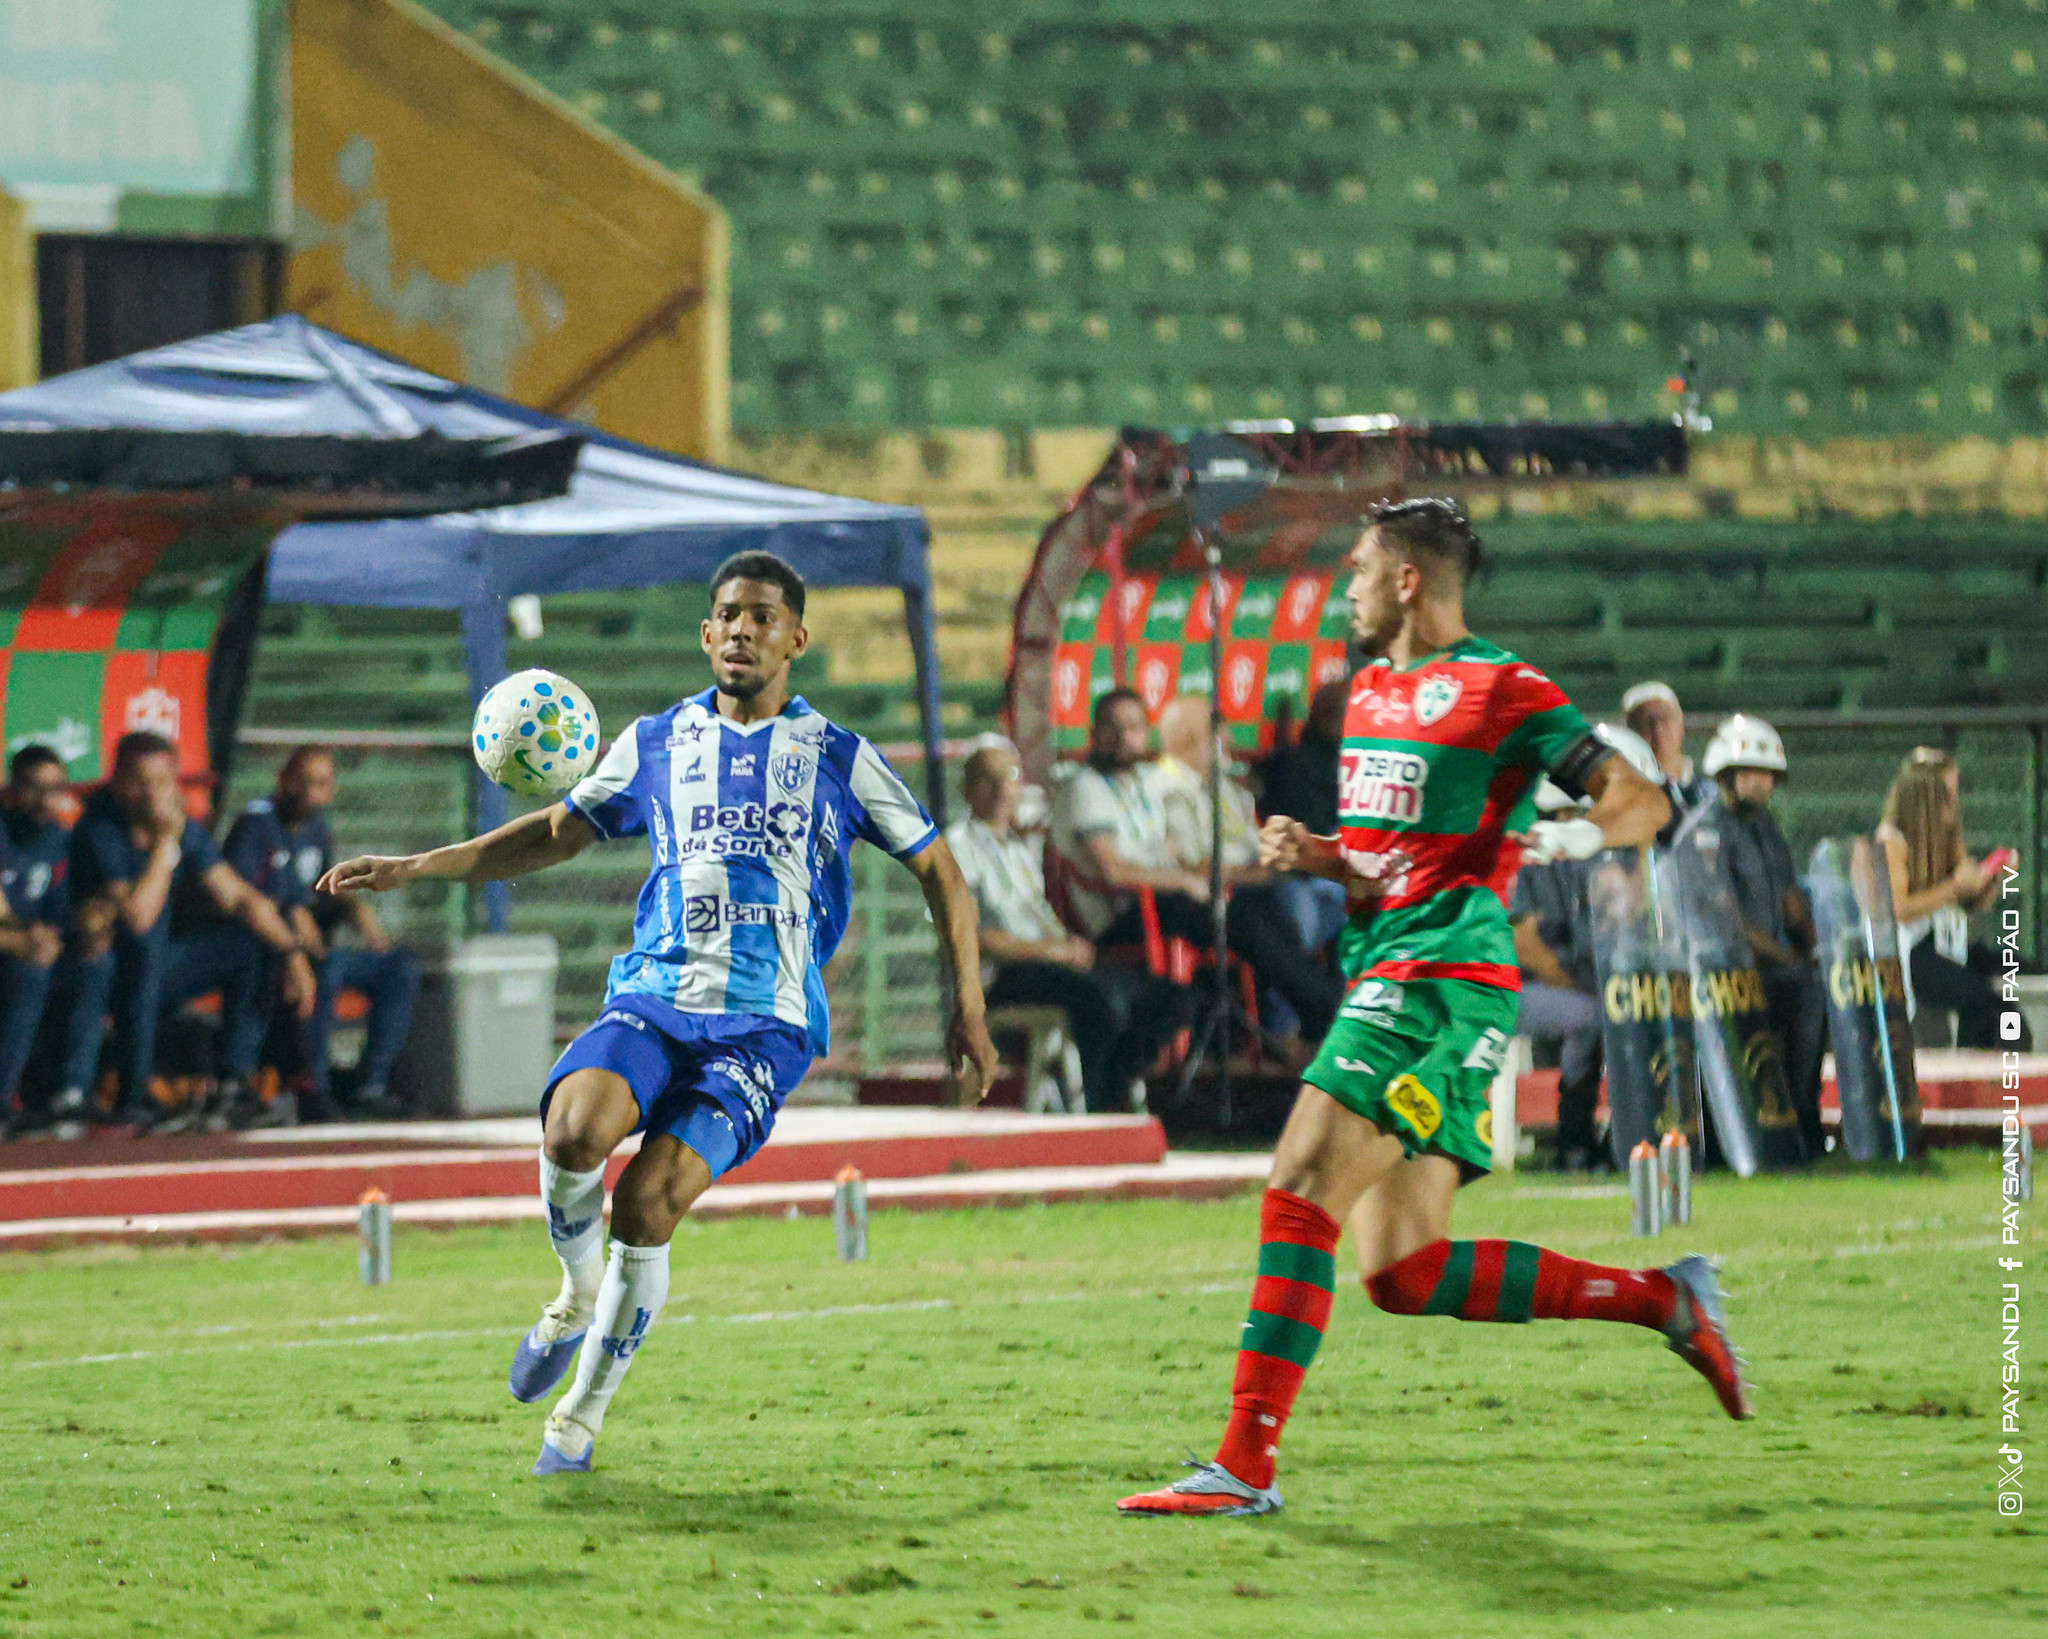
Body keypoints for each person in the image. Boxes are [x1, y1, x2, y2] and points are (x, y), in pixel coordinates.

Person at [1119, 496, 1747, 1522]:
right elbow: (1379, 868)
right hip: (1390, 959)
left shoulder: (1502, 686)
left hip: (1440, 977)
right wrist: (1323, 856)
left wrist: (1579, 837)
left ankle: (1244, 1463)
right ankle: (1666, 1299)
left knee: (1297, 1182)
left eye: (1359, 570)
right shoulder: (1368, 691)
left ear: (1407, 580)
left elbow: (1639, 798)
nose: (1346, 590)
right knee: (1402, 1270)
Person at [320, 550, 998, 1476]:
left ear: (796, 638)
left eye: (764, 616)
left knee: (647, 1200)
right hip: (657, 992)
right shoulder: (657, 740)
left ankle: (577, 1420)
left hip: (767, 1025)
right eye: (729, 614)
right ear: (707, 634)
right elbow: (556, 831)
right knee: (572, 1130)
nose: (744, 629)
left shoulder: (840, 755)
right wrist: (416, 865)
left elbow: (942, 872)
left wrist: (968, 1001)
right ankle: (575, 1289)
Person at [1051, 690, 1342, 1042]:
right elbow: (1113, 870)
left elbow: (1169, 848)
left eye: (1134, 727)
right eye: (1113, 728)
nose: (1124, 737)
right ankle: (1323, 1010)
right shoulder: (1087, 789)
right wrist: (1181, 880)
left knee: (1264, 909)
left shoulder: (1139, 786)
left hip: (1164, 900)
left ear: (1146, 733)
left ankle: (1315, 1017)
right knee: (1243, 917)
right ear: (1094, 734)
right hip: (1126, 912)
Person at [65, 732, 317, 1132]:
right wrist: (165, 845)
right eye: (140, 781)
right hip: (105, 970)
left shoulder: (184, 828)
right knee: (145, 946)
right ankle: (134, 1093)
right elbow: (138, 917)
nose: (152, 794)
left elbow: (238, 896)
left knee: (254, 942)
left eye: (163, 782)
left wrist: (293, 952)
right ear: (117, 780)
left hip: (160, 966)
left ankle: (234, 1084)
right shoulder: (100, 826)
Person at [947, 740, 1173, 1110]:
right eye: (991, 780)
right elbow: (973, 939)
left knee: (1168, 999)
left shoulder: (1018, 849)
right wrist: (1051, 950)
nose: (1005, 789)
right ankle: (1099, 1104)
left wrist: (1065, 945)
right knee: (1102, 1001)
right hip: (1005, 975)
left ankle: (1111, 1086)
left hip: (1050, 961)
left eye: (1012, 777)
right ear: (968, 790)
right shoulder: (959, 847)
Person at [223, 747, 420, 1120]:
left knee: (401, 968)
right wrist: (290, 913)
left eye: (321, 784)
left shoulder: (317, 828)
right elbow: (243, 899)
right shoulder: (255, 825)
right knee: (325, 970)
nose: (310, 793)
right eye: (303, 781)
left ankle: (371, 1084)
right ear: (285, 780)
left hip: (319, 950)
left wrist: (353, 907)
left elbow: (322, 890)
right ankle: (312, 1088)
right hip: (275, 953)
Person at [1698, 714, 1827, 1158]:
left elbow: (1790, 897)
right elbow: (1726, 920)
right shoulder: (1706, 832)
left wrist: (1812, 947)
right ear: (1730, 774)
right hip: (1726, 971)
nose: (1767, 784)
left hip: (1772, 965)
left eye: (1770, 775)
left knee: (1815, 989)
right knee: (1800, 990)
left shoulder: (1767, 828)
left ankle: (1802, 1119)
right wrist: (1786, 959)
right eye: (1757, 773)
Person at [1876, 746, 2027, 1050]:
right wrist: (1954, 888)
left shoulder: (1944, 837)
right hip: (1913, 950)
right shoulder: (1892, 839)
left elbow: (1974, 903)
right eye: (1950, 792)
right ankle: (1971, 1075)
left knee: (2016, 984)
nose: (1956, 802)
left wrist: (1993, 878)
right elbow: (1901, 909)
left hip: (1949, 942)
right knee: (1982, 1003)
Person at [1508, 780, 1605, 1173]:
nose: (1567, 824)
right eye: (1558, 816)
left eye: (1573, 816)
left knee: (1609, 1011)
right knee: (1590, 1016)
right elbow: (1525, 947)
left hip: (1566, 984)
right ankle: (1575, 1138)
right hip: (1512, 987)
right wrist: (1584, 986)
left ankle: (1604, 1137)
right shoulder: (1523, 861)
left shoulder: (1580, 866)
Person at [0, 747, 70, 1129]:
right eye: (34, 788)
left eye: (55, 788)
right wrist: (25, 942)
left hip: (29, 951)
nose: (46, 799)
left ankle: (70, 1094)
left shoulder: (58, 839)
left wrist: (55, 939)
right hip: (11, 950)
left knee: (97, 965)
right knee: (28, 973)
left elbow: (59, 915)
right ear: (13, 787)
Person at [1256, 678, 1350, 953]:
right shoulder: (1294, 767)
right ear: (1328, 719)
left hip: (1344, 876)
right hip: (1298, 874)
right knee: (1301, 929)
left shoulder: (1360, 764)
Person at [1623, 681, 1712, 834]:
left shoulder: (1710, 792)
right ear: (1631, 734)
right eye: (1645, 722)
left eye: (1664, 717)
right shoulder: (1623, 796)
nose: (1657, 728)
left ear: (1681, 725)